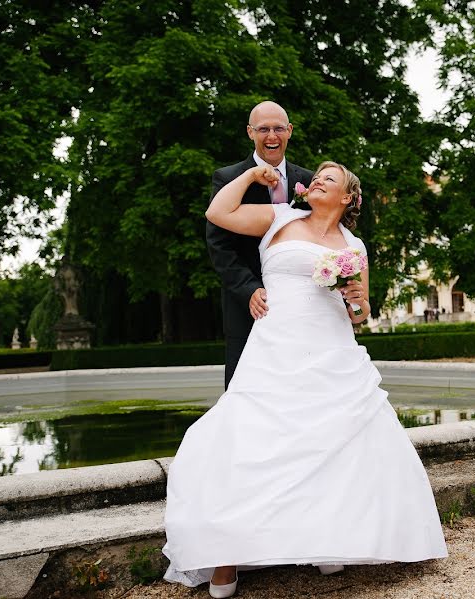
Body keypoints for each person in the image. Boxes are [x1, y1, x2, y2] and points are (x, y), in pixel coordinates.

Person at [163, 161, 448, 598]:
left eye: (328, 179)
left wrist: (358, 302)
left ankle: (330, 540)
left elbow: (359, 315)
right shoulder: (279, 218)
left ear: (348, 197)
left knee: (337, 443)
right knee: (248, 440)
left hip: (333, 350)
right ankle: (225, 554)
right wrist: (251, 178)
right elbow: (218, 213)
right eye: (315, 175)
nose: (317, 180)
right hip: (275, 347)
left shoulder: (354, 245)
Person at [207, 101, 314, 390]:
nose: (271, 136)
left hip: (297, 303)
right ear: (249, 132)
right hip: (247, 305)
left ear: (289, 131)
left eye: (279, 128)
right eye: (263, 129)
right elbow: (219, 246)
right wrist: (249, 289)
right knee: (244, 387)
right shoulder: (227, 178)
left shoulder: (308, 180)